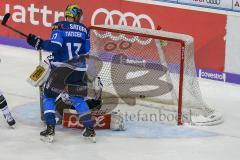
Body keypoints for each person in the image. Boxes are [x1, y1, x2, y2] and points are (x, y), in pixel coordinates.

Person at [26, 4, 95, 142]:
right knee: (77, 99)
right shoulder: (84, 30)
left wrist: (39, 43)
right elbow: (86, 51)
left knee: (49, 97)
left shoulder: (59, 26)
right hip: (79, 70)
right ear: (76, 15)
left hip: (61, 70)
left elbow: (55, 46)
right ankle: (90, 129)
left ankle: (50, 129)